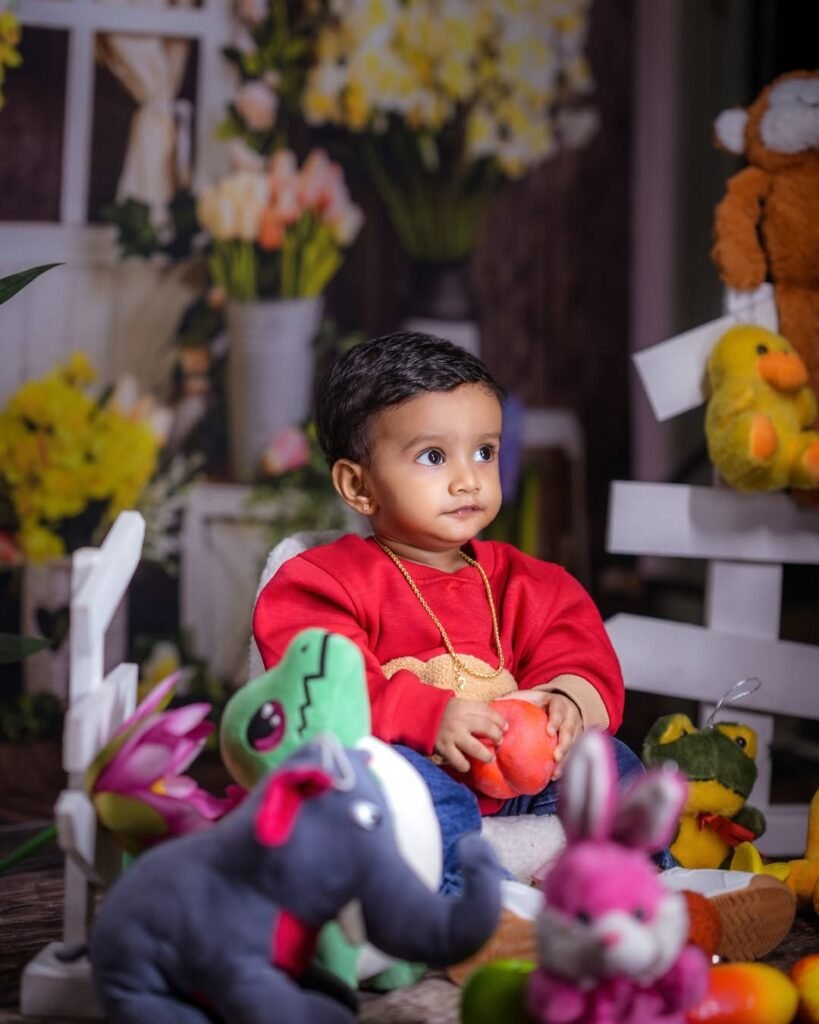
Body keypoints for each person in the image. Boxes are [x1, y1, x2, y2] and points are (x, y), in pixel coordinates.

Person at [254, 331, 653, 894]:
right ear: (358, 485)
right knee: (396, 791)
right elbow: (323, 690)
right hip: (411, 775)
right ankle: (462, 900)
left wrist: (567, 701)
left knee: (614, 764)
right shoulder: (321, 581)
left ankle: (645, 881)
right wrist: (429, 716)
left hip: (521, 780)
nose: (468, 479)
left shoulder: (527, 581)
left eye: (484, 452)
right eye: (433, 457)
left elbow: (577, 648)